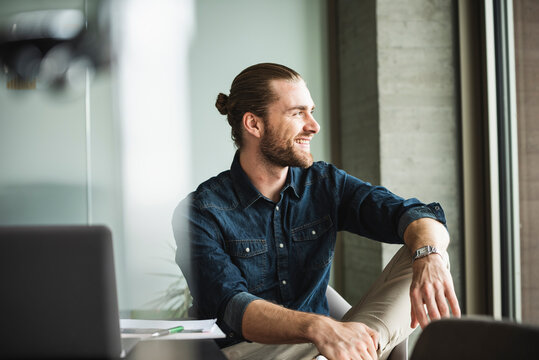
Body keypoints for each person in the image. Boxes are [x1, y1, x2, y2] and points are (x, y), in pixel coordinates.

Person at [172, 63, 461, 360]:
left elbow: (411, 213)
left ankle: (358, 351)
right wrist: (319, 328)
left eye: (311, 111)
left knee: (424, 250)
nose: (313, 125)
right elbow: (232, 307)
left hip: (327, 347)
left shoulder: (326, 184)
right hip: (248, 352)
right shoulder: (200, 211)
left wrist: (430, 256)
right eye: (297, 113)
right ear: (254, 124)